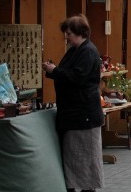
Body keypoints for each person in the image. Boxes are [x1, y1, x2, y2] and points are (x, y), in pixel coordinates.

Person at [43, 14, 105, 192]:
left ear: (80, 33)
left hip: (83, 115)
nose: (67, 37)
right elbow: (67, 72)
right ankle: (76, 187)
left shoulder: (88, 51)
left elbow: (77, 78)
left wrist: (55, 71)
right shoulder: (75, 50)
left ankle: (86, 188)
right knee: (74, 156)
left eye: (69, 33)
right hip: (74, 113)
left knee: (85, 157)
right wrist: (53, 70)